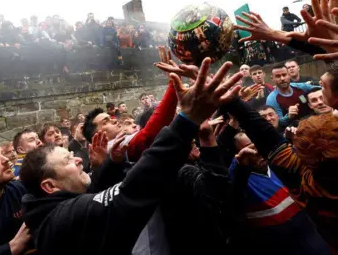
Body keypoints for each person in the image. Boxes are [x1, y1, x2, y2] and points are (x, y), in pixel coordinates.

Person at [20, 59, 243, 254]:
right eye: (68, 161)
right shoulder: (65, 217)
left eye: (72, 155)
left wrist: (108, 166)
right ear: (49, 186)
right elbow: (132, 189)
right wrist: (188, 118)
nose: (78, 160)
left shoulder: (65, 201)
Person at [223, 97, 338, 252]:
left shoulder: (299, 175)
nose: (257, 152)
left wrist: (231, 101)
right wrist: (239, 166)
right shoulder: (291, 168)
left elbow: (265, 136)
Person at [229, 136, 330, 254]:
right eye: (250, 148)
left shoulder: (279, 165)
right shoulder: (241, 181)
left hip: (312, 237)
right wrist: (239, 165)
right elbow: (232, 186)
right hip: (279, 247)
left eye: (258, 145)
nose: (257, 152)